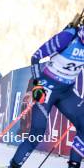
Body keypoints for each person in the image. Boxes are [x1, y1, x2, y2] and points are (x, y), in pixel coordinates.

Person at [9, 22, 84, 168]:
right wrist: (37, 85)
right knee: (37, 132)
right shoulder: (68, 37)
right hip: (46, 89)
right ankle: (14, 166)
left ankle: (74, 165)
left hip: (66, 92)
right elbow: (36, 57)